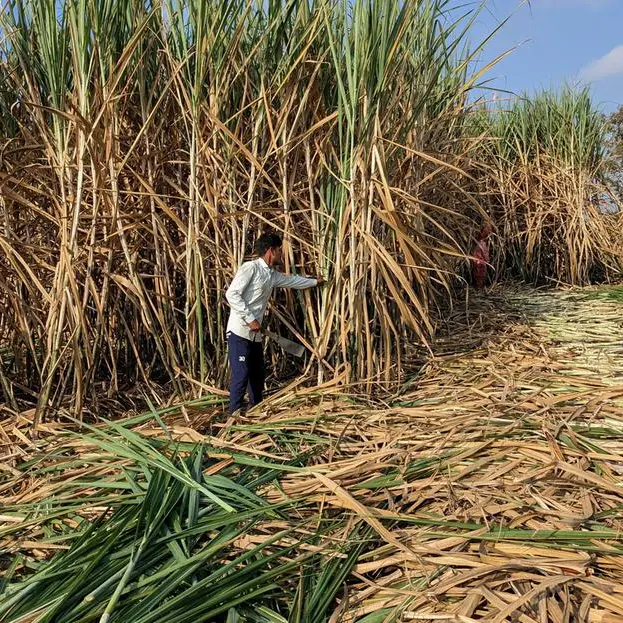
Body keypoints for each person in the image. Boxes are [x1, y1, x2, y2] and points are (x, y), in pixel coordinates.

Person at [225, 231, 324, 416]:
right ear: (271, 250)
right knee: (241, 372)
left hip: (254, 335)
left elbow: (291, 281)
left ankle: (256, 409)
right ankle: (234, 413)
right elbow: (231, 294)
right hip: (239, 332)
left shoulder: (271, 275)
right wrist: (250, 318)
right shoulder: (250, 268)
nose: (281, 254)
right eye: (279, 250)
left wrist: (314, 282)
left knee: (257, 373)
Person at [472, 224, 492, 290]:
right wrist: (487, 260)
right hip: (480, 262)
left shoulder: (477, 242)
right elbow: (485, 252)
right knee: (480, 275)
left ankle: (478, 286)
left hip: (477, 261)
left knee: (478, 274)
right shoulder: (482, 243)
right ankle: (479, 287)